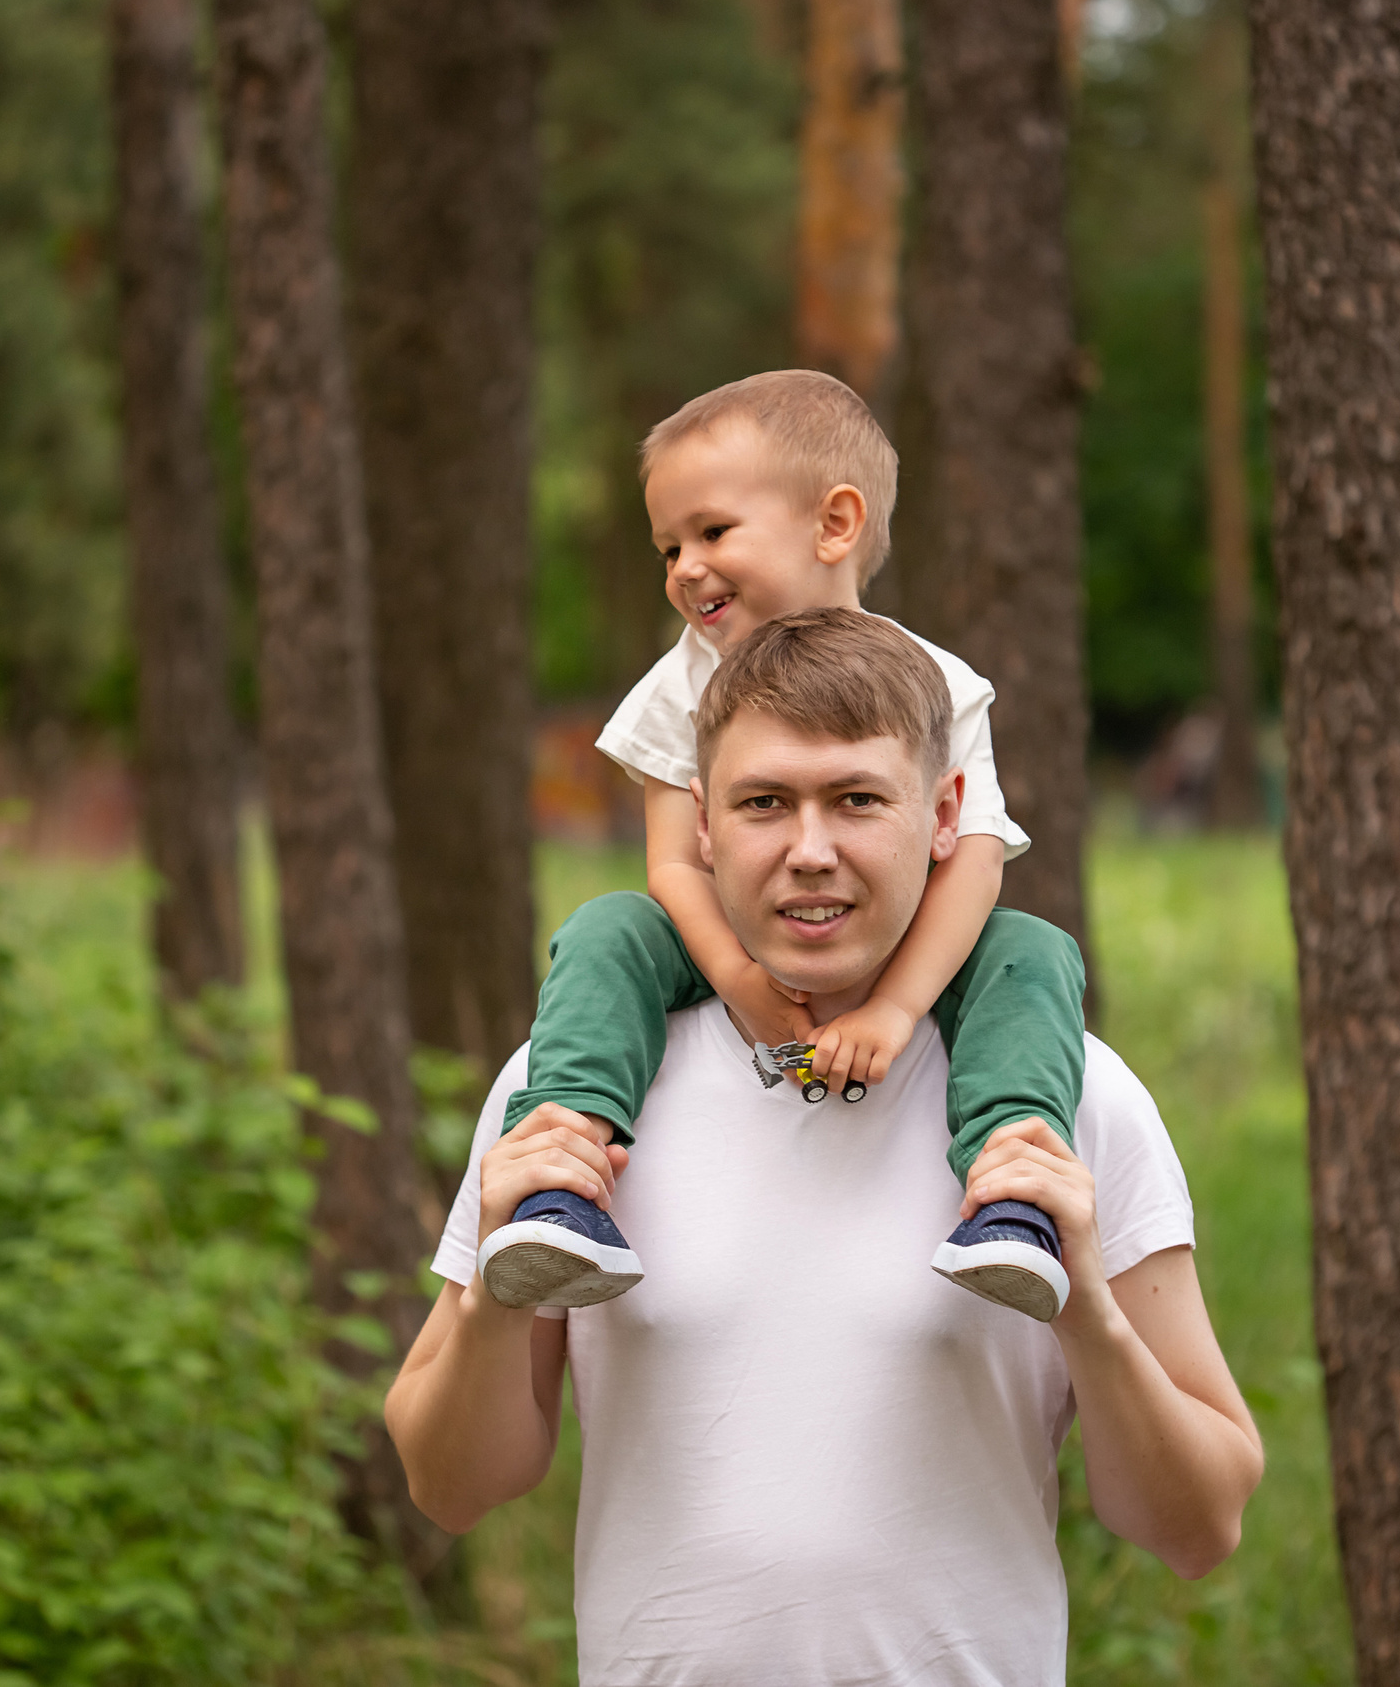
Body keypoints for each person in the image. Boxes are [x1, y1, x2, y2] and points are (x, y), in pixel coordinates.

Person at [387, 610, 1263, 1685]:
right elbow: (451, 1486)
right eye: (764, 804)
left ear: (944, 813)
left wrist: (1087, 1309)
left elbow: (1199, 1526)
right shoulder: (569, 1092)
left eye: (856, 799)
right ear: (701, 824)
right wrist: (492, 1301)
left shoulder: (1068, 1100)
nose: (810, 851)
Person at [478, 370, 1089, 1321]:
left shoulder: (933, 682)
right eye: (668, 545)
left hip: (901, 931)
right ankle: (562, 1172)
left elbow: (972, 854)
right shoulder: (678, 689)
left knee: (1032, 951)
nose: (684, 565)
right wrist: (737, 978)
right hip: (734, 928)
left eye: (713, 532)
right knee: (608, 931)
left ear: (834, 524)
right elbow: (679, 863)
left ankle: (1014, 1186)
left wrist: (893, 1010)